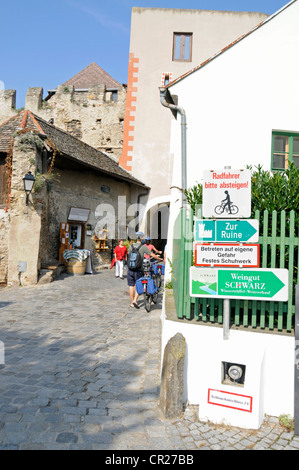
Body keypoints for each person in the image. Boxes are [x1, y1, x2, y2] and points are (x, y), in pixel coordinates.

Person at [127, 234, 163, 309]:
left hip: (130, 269)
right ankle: (135, 300)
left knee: (131, 286)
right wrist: (160, 259)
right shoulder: (143, 247)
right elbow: (152, 254)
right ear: (142, 239)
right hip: (139, 270)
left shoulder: (131, 246)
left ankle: (132, 303)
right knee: (138, 284)